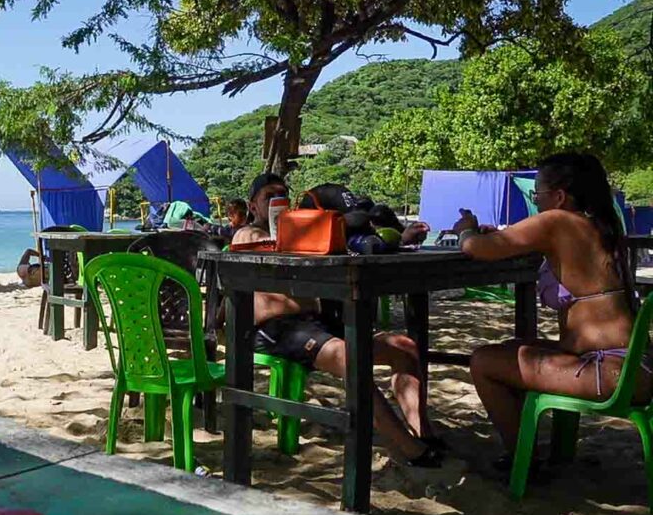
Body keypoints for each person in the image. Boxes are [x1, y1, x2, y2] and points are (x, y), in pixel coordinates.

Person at [232, 173, 443, 466]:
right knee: (350, 357)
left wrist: (392, 238)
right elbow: (261, 246)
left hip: (315, 325)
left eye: (283, 194)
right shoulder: (248, 235)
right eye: (270, 196)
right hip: (276, 330)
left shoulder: (298, 232)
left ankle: (422, 432)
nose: (278, 200)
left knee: (404, 346)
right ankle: (409, 447)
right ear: (253, 206)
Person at [459, 153, 651, 468]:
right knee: (511, 349)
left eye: (537, 195)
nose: (536, 202)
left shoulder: (557, 221)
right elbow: (516, 241)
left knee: (483, 361)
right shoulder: (601, 225)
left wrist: (466, 229)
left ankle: (524, 460)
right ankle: (543, 450)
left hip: (612, 373)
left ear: (559, 197)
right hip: (635, 365)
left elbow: (476, 249)